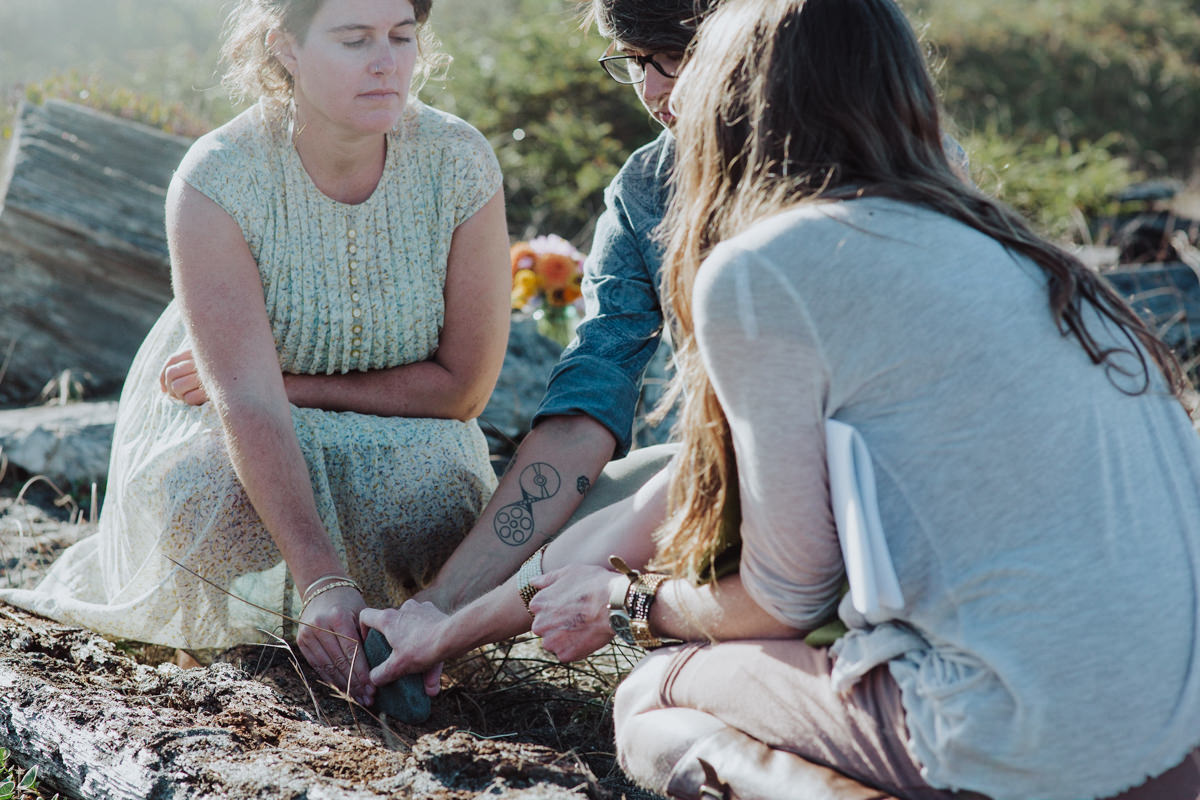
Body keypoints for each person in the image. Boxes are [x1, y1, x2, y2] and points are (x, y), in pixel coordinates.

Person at [362, 0, 1200, 797]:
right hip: (1177, 743)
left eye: (673, 63)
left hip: (1027, 742)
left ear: (728, 87)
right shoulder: (1017, 254)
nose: (658, 90)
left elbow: (782, 597)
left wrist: (627, 604)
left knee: (652, 700)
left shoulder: (768, 269)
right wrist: (447, 623)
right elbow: (670, 489)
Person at [0, 0, 509, 709]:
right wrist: (324, 582)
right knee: (198, 490)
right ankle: (218, 657)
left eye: (402, 36)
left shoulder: (458, 161)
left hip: (386, 420)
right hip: (228, 408)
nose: (387, 61)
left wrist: (293, 383)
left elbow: (462, 392)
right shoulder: (220, 175)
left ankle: (406, 645)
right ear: (287, 48)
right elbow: (244, 397)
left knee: (444, 483)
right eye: (354, 38)